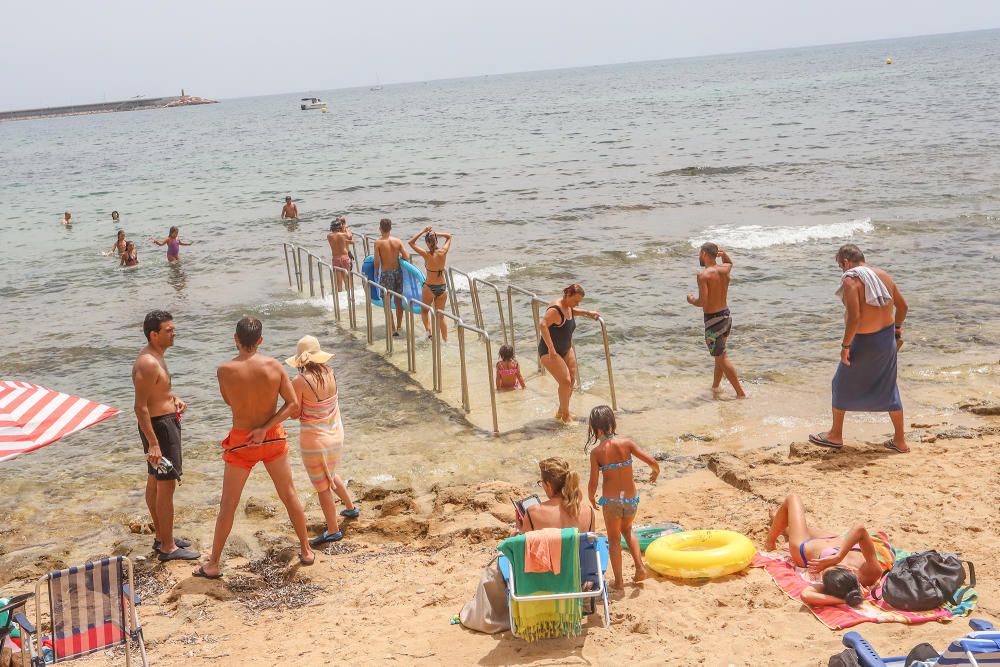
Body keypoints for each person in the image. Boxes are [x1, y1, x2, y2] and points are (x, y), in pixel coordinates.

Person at [194, 317, 314, 579]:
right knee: (289, 495)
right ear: (260, 340)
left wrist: (253, 429)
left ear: (235, 339)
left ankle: (213, 564)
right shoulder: (274, 366)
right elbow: (292, 405)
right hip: (271, 439)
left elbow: (229, 401)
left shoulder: (224, 369)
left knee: (228, 505)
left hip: (241, 442)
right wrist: (265, 427)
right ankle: (306, 550)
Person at [809, 244, 910, 453]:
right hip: (886, 340)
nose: (842, 270)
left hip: (865, 342)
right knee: (889, 387)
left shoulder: (851, 280)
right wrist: (897, 330)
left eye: (840, 266)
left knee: (840, 382)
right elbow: (903, 306)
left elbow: (855, 318)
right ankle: (900, 441)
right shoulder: (884, 276)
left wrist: (845, 346)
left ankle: (835, 435)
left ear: (846, 262)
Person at [131, 310, 199, 561]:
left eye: (173, 328)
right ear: (154, 334)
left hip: (162, 423)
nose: (174, 333)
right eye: (169, 330)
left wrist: (174, 399)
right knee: (165, 485)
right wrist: (154, 443)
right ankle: (168, 547)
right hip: (158, 429)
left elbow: (157, 394)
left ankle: (162, 536)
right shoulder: (147, 362)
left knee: (155, 481)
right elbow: (140, 406)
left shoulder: (157, 356)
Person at [286, 335, 359, 547]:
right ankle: (350, 508)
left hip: (315, 440)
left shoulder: (299, 381)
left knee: (322, 487)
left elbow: (294, 413)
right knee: (330, 474)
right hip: (336, 433)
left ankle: (333, 530)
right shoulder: (331, 372)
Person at [765, 493, 895, 607]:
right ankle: (779, 521)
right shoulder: (871, 573)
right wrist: (837, 557)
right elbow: (860, 529)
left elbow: (806, 595)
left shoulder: (831, 586)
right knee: (791, 526)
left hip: (804, 548)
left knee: (793, 498)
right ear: (852, 572)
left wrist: (844, 600)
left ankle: (770, 542)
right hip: (832, 539)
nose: (835, 565)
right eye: (839, 567)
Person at [586, 405, 659, 590]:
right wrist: (655, 473)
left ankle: (619, 581)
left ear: (595, 429)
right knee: (628, 530)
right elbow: (652, 461)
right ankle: (640, 567)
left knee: (615, 540)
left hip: (611, 502)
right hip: (631, 499)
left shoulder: (596, 453)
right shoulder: (627, 443)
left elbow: (593, 482)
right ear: (614, 423)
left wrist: (591, 497)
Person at [686, 243, 747, 398]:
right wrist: (724, 254)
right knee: (719, 355)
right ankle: (715, 387)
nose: (699, 256)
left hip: (713, 321)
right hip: (726, 316)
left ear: (705, 254)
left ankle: (740, 393)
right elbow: (730, 263)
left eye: (700, 253)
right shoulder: (724, 269)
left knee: (722, 357)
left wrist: (692, 300)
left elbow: (703, 302)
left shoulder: (703, 275)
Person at [537, 284, 599, 423]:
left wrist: (588, 313)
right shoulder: (556, 309)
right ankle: (566, 416)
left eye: (579, 302)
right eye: (576, 301)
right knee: (565, 382)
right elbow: (543, 324)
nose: (577, 304)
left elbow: (572, 311)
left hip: (565, 348)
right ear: (567, 295)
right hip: (550, 351)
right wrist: (551, 348)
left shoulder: (568, 306)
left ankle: (561, 411)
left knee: (572, 379)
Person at [517, 457, 593, 534]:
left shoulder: (533, 512)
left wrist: (519, 529)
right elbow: (592, 543)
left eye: (541, 482)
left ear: (548, 485)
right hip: (576, 546)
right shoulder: (589, 511)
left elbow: (525, 544)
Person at [407, 226, 453, 341]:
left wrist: (423, 231)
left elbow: (410, 242)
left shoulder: (426, 254)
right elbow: (449, 236)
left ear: (427, 243)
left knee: (424, 311)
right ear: (436, 241)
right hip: (442, 288)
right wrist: (435, 233)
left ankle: (428, 332)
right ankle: (446, 340)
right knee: (441, 316)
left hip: (429, 288)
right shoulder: (443, 252)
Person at [373, 218, 411, 335]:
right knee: (398, 301)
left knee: (386, 302)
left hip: (386, 274)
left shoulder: (378, 243)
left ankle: (393, 329)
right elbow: (406, 256)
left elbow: (377, 261)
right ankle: (399, 326)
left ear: (380, 228)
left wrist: (376, 272)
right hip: (397, 273)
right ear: (391, 228)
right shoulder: (397, 241)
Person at [327, 217, 353, 291]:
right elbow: (350, 236)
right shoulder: (342, 235)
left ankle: (340, 295)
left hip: (335, 258)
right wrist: (345, 228)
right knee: (347, 278)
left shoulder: (329, 236)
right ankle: (349, 295)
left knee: (338, 281)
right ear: (339, 227)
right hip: (344, 257)